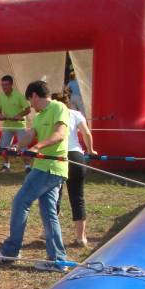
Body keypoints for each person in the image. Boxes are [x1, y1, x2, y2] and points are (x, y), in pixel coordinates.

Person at [0, 80, 70, 272]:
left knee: (20, 202)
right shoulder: (39, 116)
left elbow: (60, 134)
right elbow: (29, 134)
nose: (31, 105)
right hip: (48, 168)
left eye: (30, 100)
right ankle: (57, 260)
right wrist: (16, 147)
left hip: (50, 167)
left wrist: (37, 147)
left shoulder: (58, 107)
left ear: (34, 96)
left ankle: (11, 252)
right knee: (48, 213)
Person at [53, 92, 97, 247]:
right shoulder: (76, 114)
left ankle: (50, 233)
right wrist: (91, 151)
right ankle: (81, 238)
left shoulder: (51, 115)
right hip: (77, 157)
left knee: (54, 196)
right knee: (77, 197)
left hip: (58, 157)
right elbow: (86, 133)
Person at [0, 75, 31, 173]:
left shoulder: (19, 96)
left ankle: (27, 167)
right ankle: (6, 165)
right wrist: (0, 115)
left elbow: (28, 109)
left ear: (11, 85)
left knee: (23, 147)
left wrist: (19, 115)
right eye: (2, 85)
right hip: (7, 125)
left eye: (6, 85)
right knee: (4, 146)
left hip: (19, 126)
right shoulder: (0, 96)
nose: (4, 87)